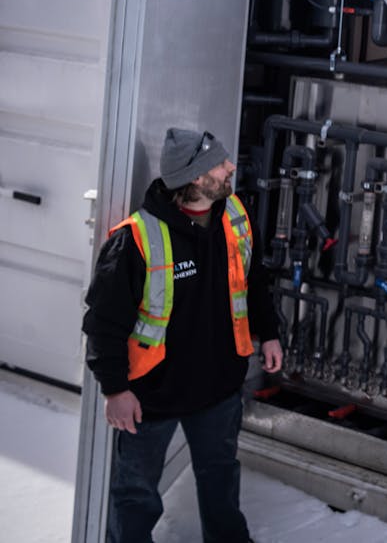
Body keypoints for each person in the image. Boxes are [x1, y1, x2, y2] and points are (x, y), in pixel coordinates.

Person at [83, 128, 282, 543]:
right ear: (195, 179)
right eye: (220, 163)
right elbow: (103, 323)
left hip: (220, 389)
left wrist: (269, 333)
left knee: (221, 484)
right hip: (150, 399)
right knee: (136, 499)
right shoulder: (136, 239)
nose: (231, 167)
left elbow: (254, 280)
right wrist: (116, 390)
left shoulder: (235, 216)